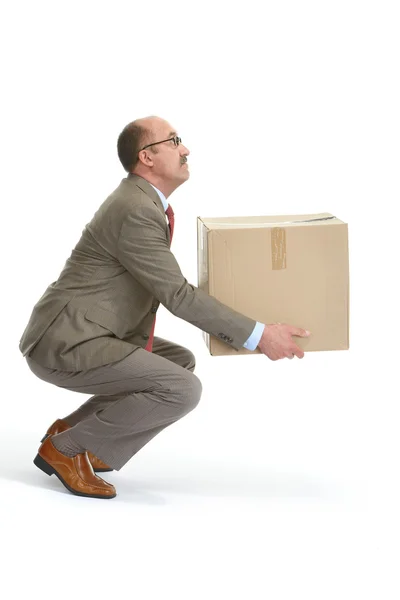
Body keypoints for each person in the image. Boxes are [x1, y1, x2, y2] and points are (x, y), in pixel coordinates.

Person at [19, 116, 310, 500]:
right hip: (66, 341)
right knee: (182, 389)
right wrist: (259, 335)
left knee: (178, 362)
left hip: (83, 332)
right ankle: (66, 450)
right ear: (148, 157)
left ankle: (73, 435)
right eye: (174, 141)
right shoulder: (135, 209)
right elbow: (177, 295)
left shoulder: (142, 202)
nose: (185, 149)